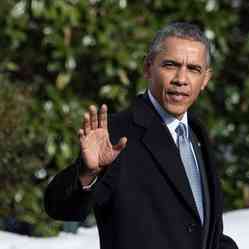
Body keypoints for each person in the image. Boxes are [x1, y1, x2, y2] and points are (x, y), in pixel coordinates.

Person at [44, 22, 238, 249]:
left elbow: (205, 232)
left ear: (205, 79)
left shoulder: (198, 134)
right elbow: (60, 207)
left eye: (193, 69)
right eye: (170, 65)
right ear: (148, 68)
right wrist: (87, 173)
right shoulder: (116, 134)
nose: (181, 79)